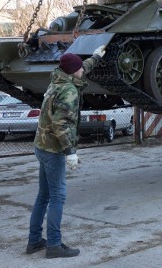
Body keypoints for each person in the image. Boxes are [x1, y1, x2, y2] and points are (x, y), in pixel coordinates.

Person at [27, 46, 105, 259]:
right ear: (73, 72)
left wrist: (96, 55)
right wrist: (70, 151)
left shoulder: (57, 80)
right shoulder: (69, 91)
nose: (82, 70)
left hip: (41, 145)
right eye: (79, 68)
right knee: (58, 196)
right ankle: (53, 244)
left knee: (43, 195)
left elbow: (81, 67)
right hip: (54, 148)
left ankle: (34, 241)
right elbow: (61, 124)